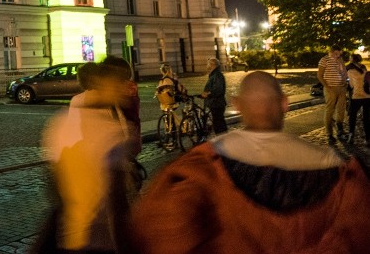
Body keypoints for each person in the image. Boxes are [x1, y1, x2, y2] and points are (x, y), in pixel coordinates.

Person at [130, 71, 370, 254]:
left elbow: (159, 235)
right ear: (284, 104)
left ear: (237, 105)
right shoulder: (343, 174)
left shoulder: (197, 170)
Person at [36, 62, 134, 253]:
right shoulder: (107, 132)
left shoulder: (61, 121)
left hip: (75, 233)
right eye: (120, 82)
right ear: (105, 84)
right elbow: (117, 203)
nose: (127, 87)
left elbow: (56, 182)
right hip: (90, 235)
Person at [317, 45, 348, 144]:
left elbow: (344, 72)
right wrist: (327, 87)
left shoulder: (340, 60)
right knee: (329, 110)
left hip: (341, 88)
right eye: (336, 53)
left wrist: (345, 82)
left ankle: (340, 129)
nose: (338, 55)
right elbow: (319, 75)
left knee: (341, 110)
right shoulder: (324, 60)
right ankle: (329, 134)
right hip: (330, 88)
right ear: (332, 51)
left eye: (339, 54)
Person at [345, 53, 369, 146]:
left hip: (357, 96)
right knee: (366, 117)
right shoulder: (364, 68)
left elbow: (351, 85)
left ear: (352, 59)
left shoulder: (350, 70)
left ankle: (351, 135)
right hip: (367, 96)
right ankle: (368, 138)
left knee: (352, 116)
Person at [200, 58, 227, 134]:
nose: (207, 65)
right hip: (215, 103)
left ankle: (222, 140)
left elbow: (218, 90)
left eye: (208, 64)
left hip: (217, 103)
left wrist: (208, 94)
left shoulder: (217, 75)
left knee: (219, 124)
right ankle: (222, 139)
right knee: (218, 122)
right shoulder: (214, 75)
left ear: (212, 65)